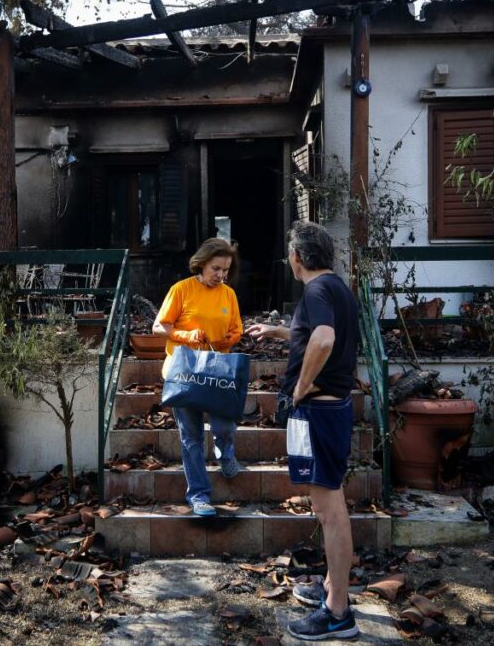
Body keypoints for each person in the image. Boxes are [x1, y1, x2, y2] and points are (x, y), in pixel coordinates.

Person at [246, 221, 360, 641]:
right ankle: (333, 587)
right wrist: (279, 331)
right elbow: (318, 334)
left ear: (297, 258)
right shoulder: (336, 288)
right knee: (329, 505)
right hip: (332, 411)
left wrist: (300, 387)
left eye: (289, 255)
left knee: (330, 511)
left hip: (319, 412)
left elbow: (325, 340)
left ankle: (338, 613)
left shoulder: (314, 291)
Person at [153, 238, 244, 517]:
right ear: (201, 264)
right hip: (184, 372)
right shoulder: (181, 289)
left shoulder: (228, 294)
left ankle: (225, 452)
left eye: (225, 270)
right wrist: (186, 335)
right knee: (191, 436)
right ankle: (199, 496)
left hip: (217, 369)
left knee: (225, 424)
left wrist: (234, 336)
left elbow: (237, 327)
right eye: (216, 269)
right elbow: (159, 326)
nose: (221, 275)